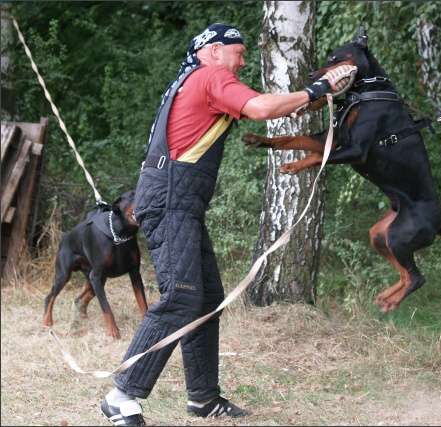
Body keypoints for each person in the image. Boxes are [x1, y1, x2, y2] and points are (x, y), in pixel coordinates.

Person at [100, 23, 334, 426]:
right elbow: (261, 108)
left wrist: (321, 95)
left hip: (180, 202)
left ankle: (204, 400)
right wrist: (317, 90)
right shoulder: (210, 76)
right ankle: (121, 396)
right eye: (238, 53)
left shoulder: (202, 79)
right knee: (181, 296)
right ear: (213, 51)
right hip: (172, 200)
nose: (243, 61)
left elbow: (268, 104)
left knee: (206, 298)